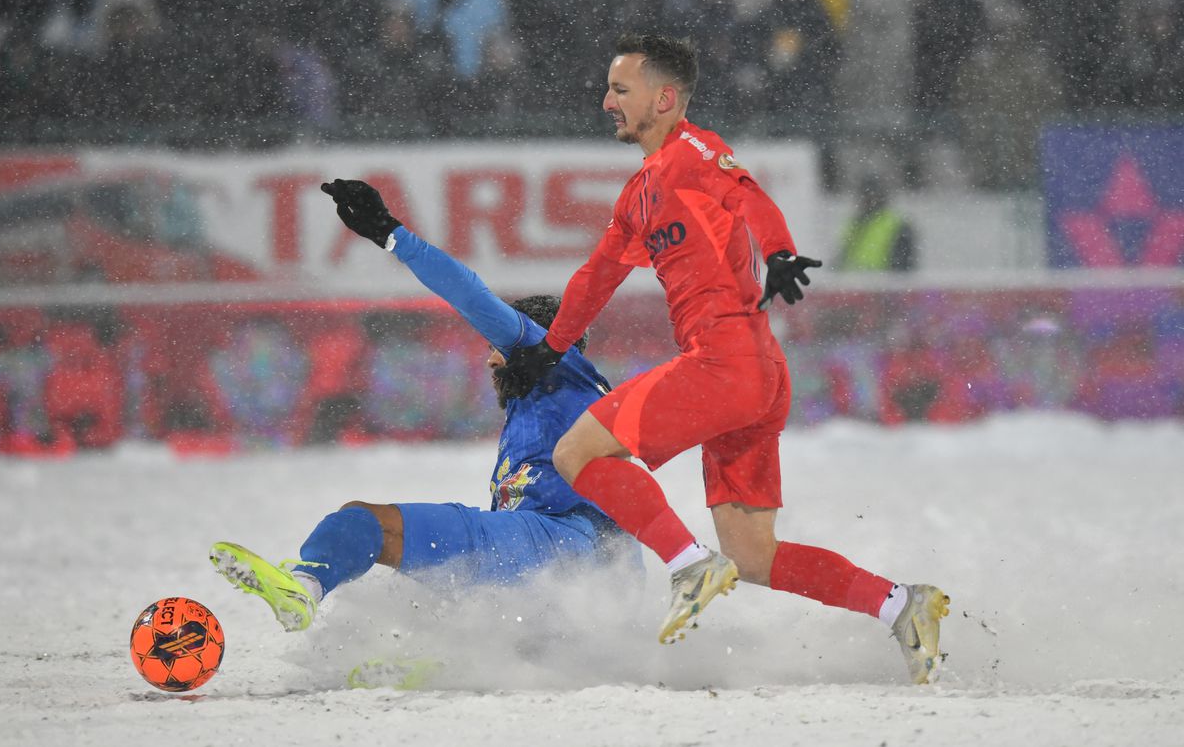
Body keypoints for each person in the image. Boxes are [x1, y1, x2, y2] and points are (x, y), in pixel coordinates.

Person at [499, 34, 949, 683]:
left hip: (725, 360)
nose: (606, 102)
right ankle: (901, 606)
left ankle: (686, 564)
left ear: (665, 98)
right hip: (755, 379)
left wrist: (782, 252)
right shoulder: (639, 194)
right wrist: (550, 350)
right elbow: (597, 277)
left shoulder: (693, 151)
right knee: (755, 556)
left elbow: (749, 198)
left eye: (620, 90)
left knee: (576, 453)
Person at [210, 179, 636, 633]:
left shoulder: (551, 358)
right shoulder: (559, 399)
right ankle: (444, 659)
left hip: (560, 542)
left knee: (363, 522)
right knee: (445, 597)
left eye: (497, 342)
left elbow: (467, 292)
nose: (490, 355)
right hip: (572, 565)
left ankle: (304, 586)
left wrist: (389, 233)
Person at [836, 174, 916, 271]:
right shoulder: (855, 224)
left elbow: (901, 270)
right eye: (864, 195)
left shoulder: (897, 225)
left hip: (881, 284)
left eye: (872, 195)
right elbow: (840, 261)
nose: (867, 200)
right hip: (851, 284)